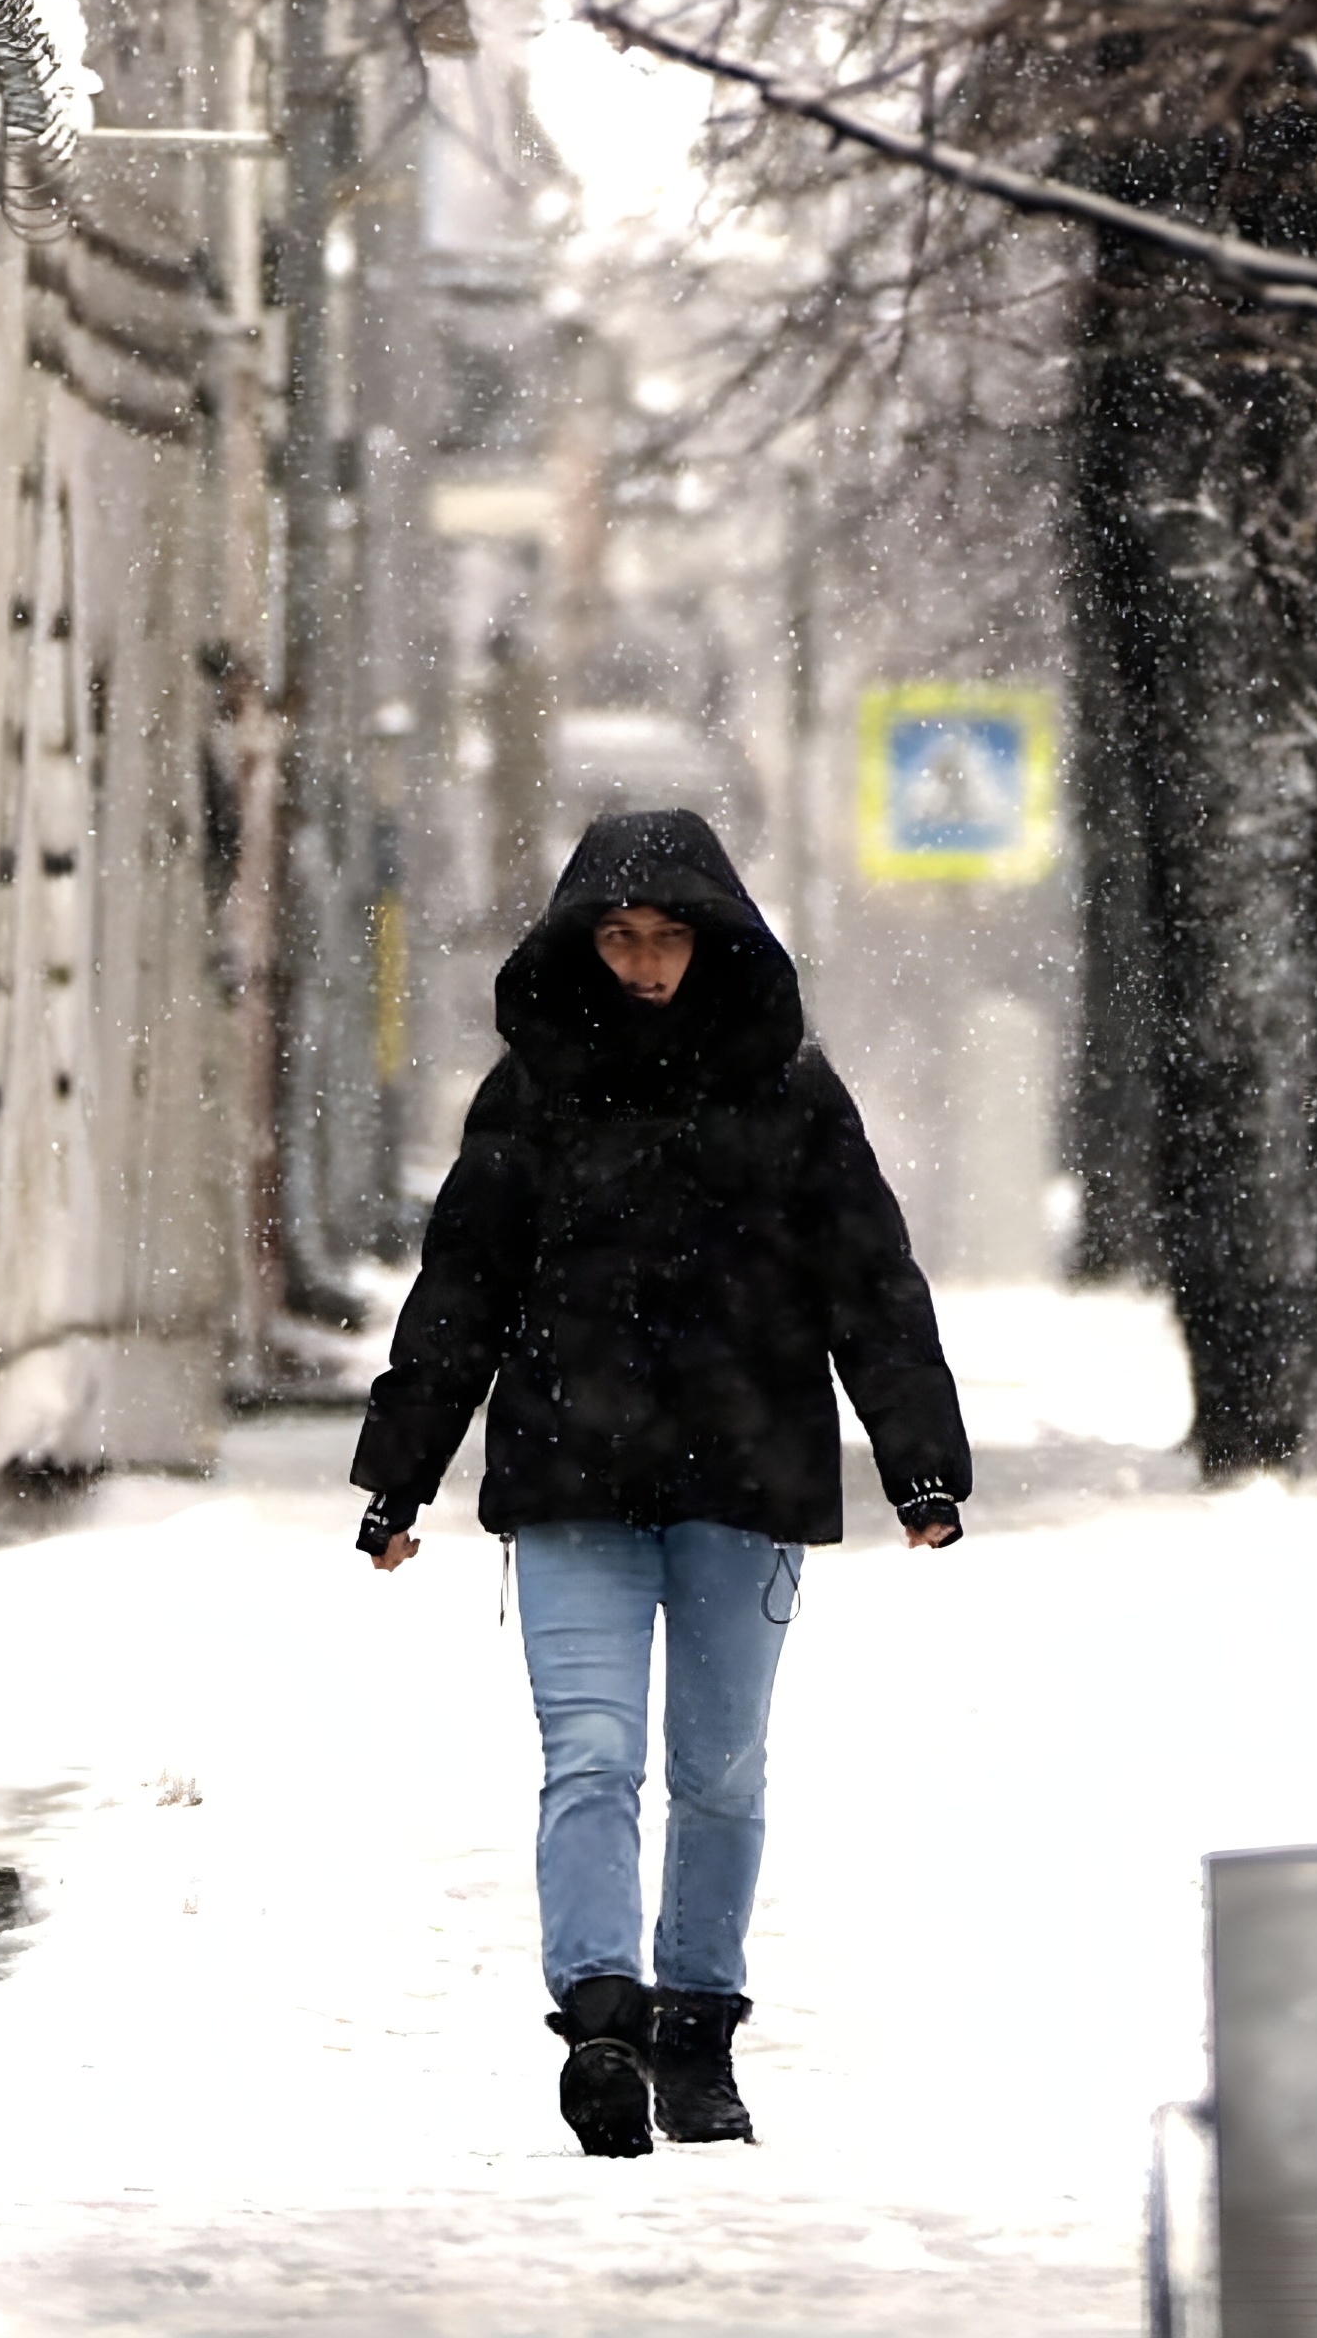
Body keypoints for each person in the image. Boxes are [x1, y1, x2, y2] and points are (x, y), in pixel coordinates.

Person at [352, 810, 970, 2158]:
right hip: (573, 1470)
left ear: (712, 943)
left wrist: (921, 1462)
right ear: (584, 946)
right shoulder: (533, 1091)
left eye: (666, 939)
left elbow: (872, 1282)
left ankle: (699, 2033)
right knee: (590, 1758)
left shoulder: (792, 1089)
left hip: (745, 1477)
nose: (642, 964)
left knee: (722, 1771)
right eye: (621, 939)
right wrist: (399, 1477)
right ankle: (603, 2023)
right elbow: (461, 1289)